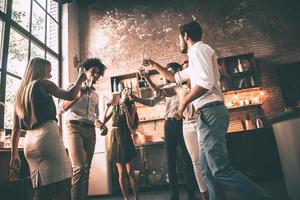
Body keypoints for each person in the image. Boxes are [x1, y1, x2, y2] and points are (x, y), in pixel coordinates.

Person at [142, 21, 273, 200]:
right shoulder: (196, 56)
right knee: (207, 171)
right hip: (205, 114)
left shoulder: (198, 50)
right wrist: (153, 64)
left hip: (211, 112)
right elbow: (174, 77)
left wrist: (182, 104)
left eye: (178, 38)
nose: (178, 42)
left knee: (220, 169)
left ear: (185, 36)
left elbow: (205, 83)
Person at [10, 57, 86, 200]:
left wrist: (14, 155)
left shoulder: (19, 94)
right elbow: (70, 95)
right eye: (48, 71)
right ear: (41, 70)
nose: (50, 75)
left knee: (42, 191)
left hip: (29, 143)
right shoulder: (43, 84)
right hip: (47, 139)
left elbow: (15, 129)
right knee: (63, 187)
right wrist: (80, 80)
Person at [130, 64, 197, 200]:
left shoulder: (184, 88)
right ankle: (174, 195)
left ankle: (192, 194)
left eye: (170, 72)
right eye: (166, 72)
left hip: (183, 123)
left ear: (178, 73)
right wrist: (136, 99)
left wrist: (147, 77)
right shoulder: (165, 89)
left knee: (187, 160)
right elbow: (151, 101)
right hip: (169, 125)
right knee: (170, 161)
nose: (167, 75)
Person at [58, 58, 106, 200]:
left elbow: (95, 117)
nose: (96, 75)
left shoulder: (97, 96)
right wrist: (78, 95)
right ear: (85, 71)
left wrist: (101, 125)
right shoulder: (73, 86)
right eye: (93, 71)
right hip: (74, 128)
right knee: (79, 168)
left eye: (98, 73)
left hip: (90, 129)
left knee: (86, 169)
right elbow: (61, 108)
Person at [104, 87, 139, 200]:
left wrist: (126, 111)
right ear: (121, 94)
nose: (127, 92)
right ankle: (126, 198)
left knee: (130, 171)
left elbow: (131, 125)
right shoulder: (115, 106)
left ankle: (136, 197)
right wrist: (107, 107)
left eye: (129, 91)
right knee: (121, 172)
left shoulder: (131, 106)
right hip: (114, 137)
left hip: (125, 136)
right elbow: (104, 120)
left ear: (129, 95)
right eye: (125, 91)